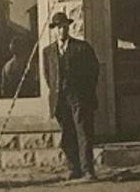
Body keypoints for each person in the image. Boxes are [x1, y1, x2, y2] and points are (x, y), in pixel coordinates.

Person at [42, 11, 99, 181]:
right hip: (60, 99)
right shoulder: (48, 51)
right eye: (59, 27)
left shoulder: (82, 47)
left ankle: (88, 170)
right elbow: (48, 76)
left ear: (69, 27)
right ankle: (74, 168)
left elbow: (94, 71)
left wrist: (86, 92)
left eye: (65, 26)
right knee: (68, 134)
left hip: (79, 97)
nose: (62, 30)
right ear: (54, 30)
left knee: (83, 133)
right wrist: (57, 91)